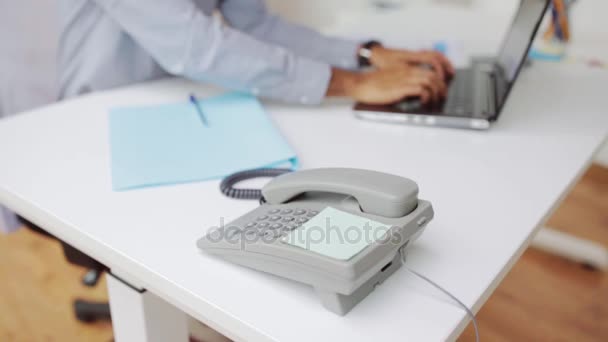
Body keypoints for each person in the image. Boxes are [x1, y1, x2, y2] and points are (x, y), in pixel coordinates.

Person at [59, 0, 454, 105]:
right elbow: (194, 45)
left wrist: (365, 54)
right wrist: (353, 85)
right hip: (101, 110)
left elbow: (258, 25)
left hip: (180, 97)